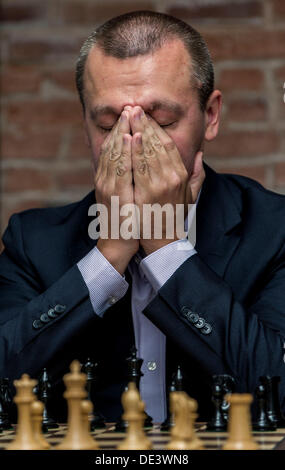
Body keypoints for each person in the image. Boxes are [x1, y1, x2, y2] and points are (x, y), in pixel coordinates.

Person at [1, 10, 285, 424]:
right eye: (108, 123)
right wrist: (107, 258)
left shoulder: (275, 229)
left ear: (210, 116)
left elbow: (276, 390)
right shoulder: (32, 241)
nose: (134, 143)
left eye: (162, 121)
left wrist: (167, 249)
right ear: (85, 126)